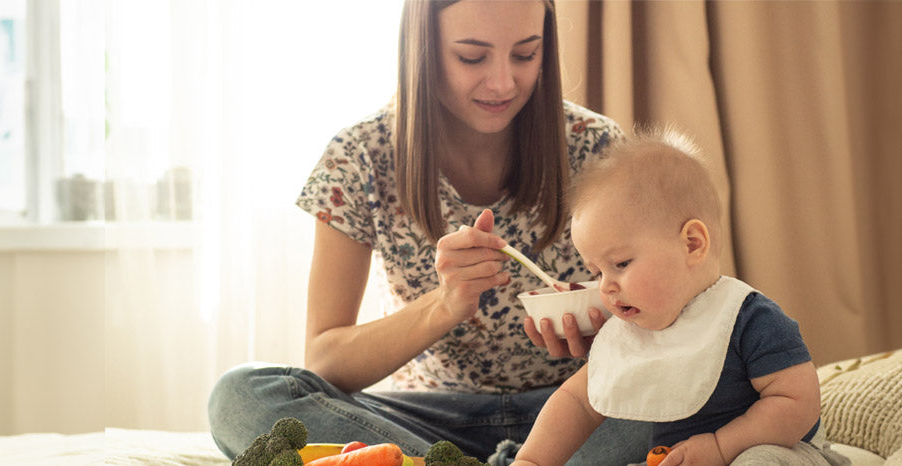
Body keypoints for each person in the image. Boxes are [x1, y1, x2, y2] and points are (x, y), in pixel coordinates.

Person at [207, 0, 649, 463]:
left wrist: (614, 333)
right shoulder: (359, 156)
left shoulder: (596, 145)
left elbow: (667, 320)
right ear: (422, 48)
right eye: (471, 57)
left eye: (525, 54)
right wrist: (444, 304)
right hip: (428, 419)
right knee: (241, 396)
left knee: (692, 395)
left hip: (578, 411)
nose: (502, 82)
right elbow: (326, 362)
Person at [510, 130, 850, 466]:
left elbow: (798, 402)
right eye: (597, 272)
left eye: (620, 264)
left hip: (777, 450)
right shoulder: (630, 329)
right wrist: (532, 460)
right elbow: (577, 403)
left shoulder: (746, 318)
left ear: (692, 244)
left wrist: (721, 447)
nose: (605, 287)